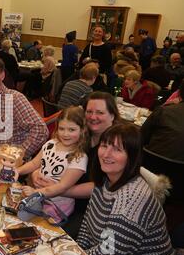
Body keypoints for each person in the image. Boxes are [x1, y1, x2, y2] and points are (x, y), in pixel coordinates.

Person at [76, 123, 176, 255]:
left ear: (132, 156)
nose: (105, 154)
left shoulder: (133, 199)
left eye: (117, 149)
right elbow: (87, 226)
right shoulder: (105, 180)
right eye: (104, 145)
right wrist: (76, 250)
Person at [33, 92, 120, 238]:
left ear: (112, 115)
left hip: (91, 209)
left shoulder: (115, 145)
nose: (93, 117)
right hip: (56, 197)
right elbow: (49, 157)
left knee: (49, 236)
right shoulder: (80, 136)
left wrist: (58, 189)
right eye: (89, 112)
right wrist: (37, 172)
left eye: (100, 112)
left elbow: (103, 187)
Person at [17, 107, 88, 225]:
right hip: (38, 197)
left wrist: (36, 193)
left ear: (82, 130)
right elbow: (34, 163)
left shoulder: (79, 157)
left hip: (56, 207)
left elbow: (62, 186)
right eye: (62, 128)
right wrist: (17, 171)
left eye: (71, 130)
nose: (65, 134)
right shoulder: (51, 144)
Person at [0, 56, 48, 159]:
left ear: (2, 75)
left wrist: (16, 156)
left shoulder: (15, 99)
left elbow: (41, 130)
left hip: (10, 166)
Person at [142, 80, 184, 248]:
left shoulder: (164, 111)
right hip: (179, 192)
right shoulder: (165, 111)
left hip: (148, 178)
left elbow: (140, 138)